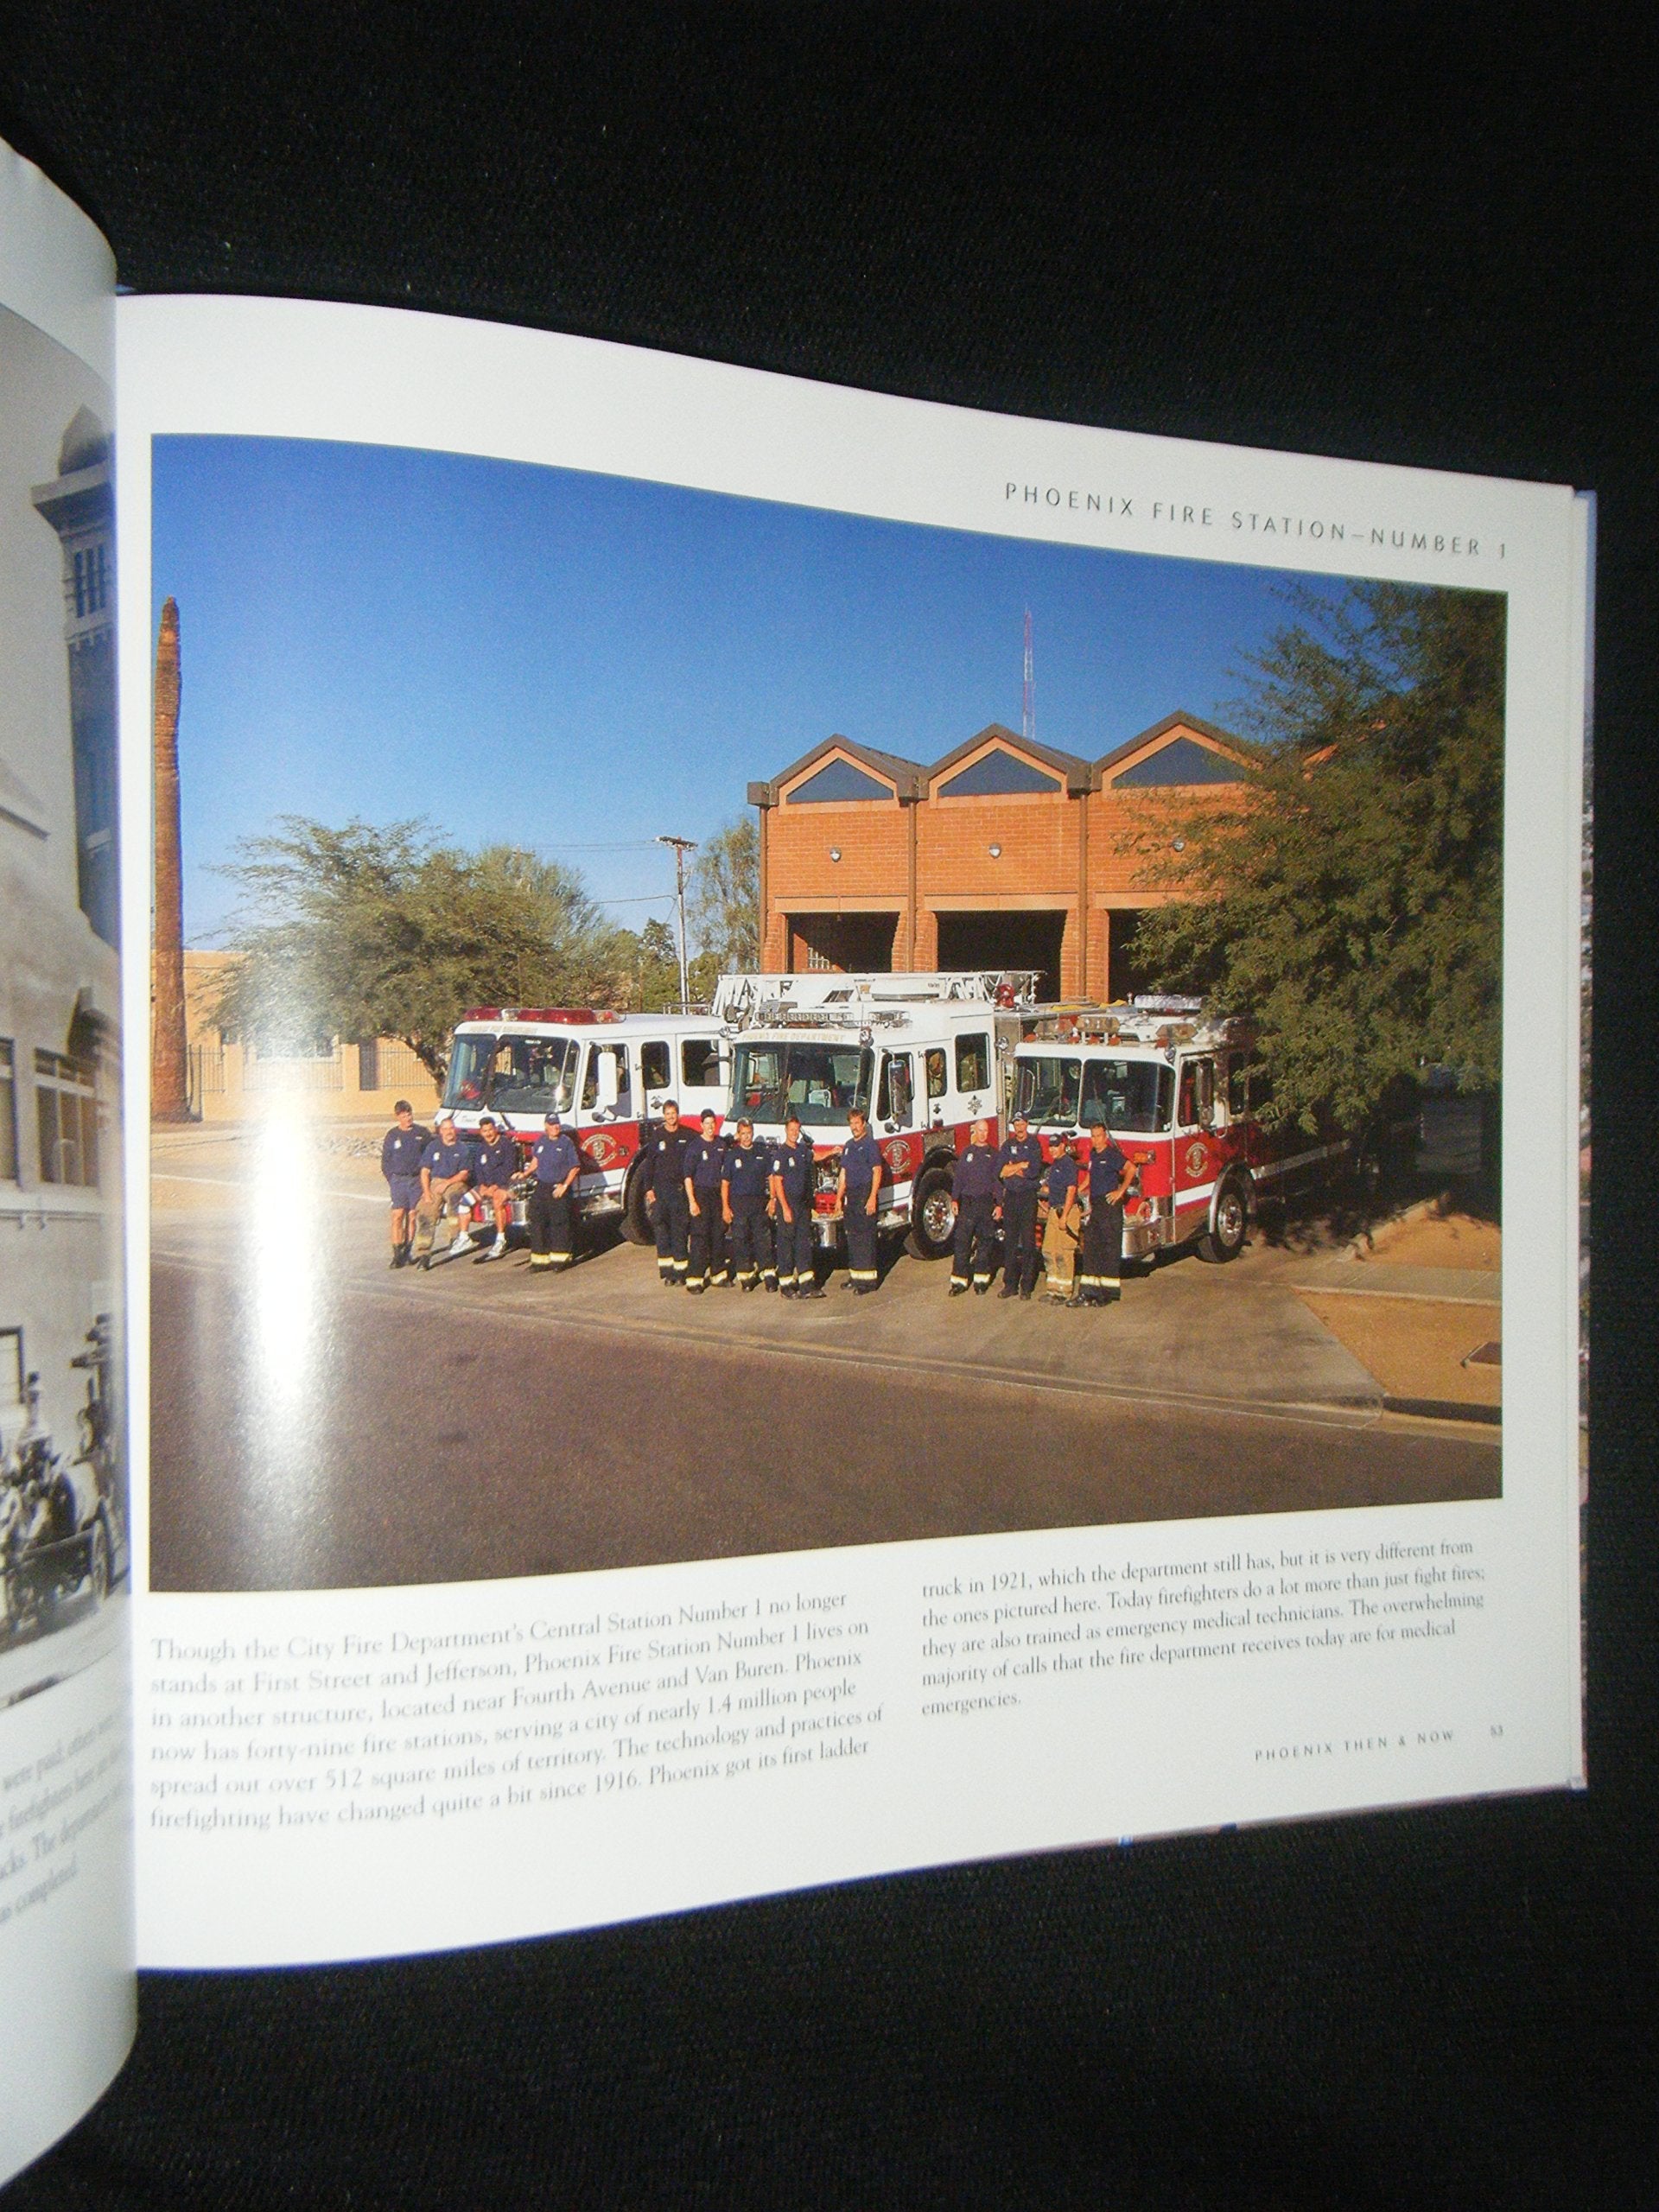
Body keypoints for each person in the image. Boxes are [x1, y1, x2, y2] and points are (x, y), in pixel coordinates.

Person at [1077, 1119, 1135, 1306]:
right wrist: (1079, 1190)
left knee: (1108, 1250)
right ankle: (1088, 1292)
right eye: (1093, 1136)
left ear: (1105, 1136)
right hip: (1096, 1206)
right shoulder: (1094, 1155)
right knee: (1091, 1248)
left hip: (1110, 1207)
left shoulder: (1112, 1154)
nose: (1095, 1140)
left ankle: (1107, 1295)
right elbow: (1090, 1177)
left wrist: (1120, 1191)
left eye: (1099, 1136)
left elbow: (1131, 1169)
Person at [769, 1111, 820, 1298]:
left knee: (803, 1246)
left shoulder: (802, 1151)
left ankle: (807, 1286)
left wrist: (832, 1153)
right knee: (786, 1246)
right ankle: (787, 1286)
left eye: (797, 1130)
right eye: (792, 1130)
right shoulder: (780, 1154)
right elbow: (777, 1182)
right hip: (788, 1206)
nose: (794, 1133)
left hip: (802, 1206)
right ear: (786, 1131)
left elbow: (814, 1157)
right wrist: (785, 1207)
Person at [641, 1098, 692, 1285]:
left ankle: (681, 1274)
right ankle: (667, 1274)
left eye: (674, 1113)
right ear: (664, 1116)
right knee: (662, 1234)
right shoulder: (657, 1136)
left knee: (679, 1233)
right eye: (668, 1114)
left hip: (678, 1193)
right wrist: (648, 1189)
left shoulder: (687, 1135)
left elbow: (704, 1140)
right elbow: (650, 1164)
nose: (671, 1117)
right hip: (660, 1192)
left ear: (678, 1114)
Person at [995, 1109, 1045, 1300]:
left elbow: (1032, 1171)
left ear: (1027, 1124)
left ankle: (1026, 1286)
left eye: (1022, 1124)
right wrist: (1019, 1166)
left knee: (1028, 1242)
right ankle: (1010, 1285)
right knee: (1010, 1243)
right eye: (1016, 1125)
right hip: (1011, 1198)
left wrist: (1012, 1168)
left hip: (1027, 1197)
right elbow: (1001, 1171)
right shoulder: (1007, 1145)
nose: (1019, 1128)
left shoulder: (1034, 1145)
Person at [721, 1117, 775, 1291]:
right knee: (741, 1241)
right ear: (738, 1135)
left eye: (749, 1133)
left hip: (759, 1203)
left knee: (763, 1241)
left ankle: (768, 1275)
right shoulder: (732, 1156)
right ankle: (746, 1278)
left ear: (753, 1133)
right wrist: (726, 1207)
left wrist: (773, 1199)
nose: (746, 1137)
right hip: (739, 1204)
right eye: (743, 1134)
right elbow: (725, 1184)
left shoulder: (762, 1153)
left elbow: (771, 1177)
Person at [949, 1119, 1001, 1296]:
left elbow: (997, 1182)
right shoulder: (967, 1153)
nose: (983, 1134)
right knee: (962, 1243)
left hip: (985, 1203)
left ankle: (981, 1281)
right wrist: (955, 1199)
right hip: (968, 1203)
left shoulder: (994, 1154)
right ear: (974, 1132)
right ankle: (959, 1282)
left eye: (986, 1131)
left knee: (985, 1243)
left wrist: (999, 1204)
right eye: (980, 1131)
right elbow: (959, 1179)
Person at [413, 1115, 474, 1262]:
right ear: (440, 1131)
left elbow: (464, 1174)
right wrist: (427, 1194)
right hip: (436, 1182)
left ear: (455, 1130)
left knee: (454, 1199)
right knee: (425, 1213)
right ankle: (423, 1253)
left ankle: (455, 1238)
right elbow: (425, 1171)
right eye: (445, 1129)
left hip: (455, 1182)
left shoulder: (462, 1148)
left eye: (451, 1128)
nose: (449, 1131)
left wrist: (446, 1184)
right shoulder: (433, 1147)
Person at [836, 1106, 883, 1294]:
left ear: (863, 1124)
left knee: (866, 1237)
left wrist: (872, 1198)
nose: (854, 1127)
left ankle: (868, 1282)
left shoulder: (870, 1145)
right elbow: (843, 1173)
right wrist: (839, 1198)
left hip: (865, 1193)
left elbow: (877, 1171)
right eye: (852, 1123)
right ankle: (855, 1277)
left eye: (857, 1123)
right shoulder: (848, 1146)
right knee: (853, 1235)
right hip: (852, 1195)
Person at [526, 1109, 581, 1271]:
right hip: (542, 1186)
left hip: (559, 1187)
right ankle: (539, 1261)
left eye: (557, 1124)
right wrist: (525, 1173)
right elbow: (536, 1161)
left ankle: (560, 1261)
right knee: (537, 1222)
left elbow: (575, 1167)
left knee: (559, 1224)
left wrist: (564, 1186)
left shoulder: (566, 1143)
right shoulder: (541, 1141)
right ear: (546, 1126)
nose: (555, 1127)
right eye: (551, 1124)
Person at [380, 1097, 430, 1268]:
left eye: (409, 1115)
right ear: (397, 1117)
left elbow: (429, 1156)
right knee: (397, 1216)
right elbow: (385, 1160)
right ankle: (397, 1254)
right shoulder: (392, 1135)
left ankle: (408, 1250)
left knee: (412, 1216)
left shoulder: (422, 1133)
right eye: (403, 1116)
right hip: (398, 1180)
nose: (407, 1119)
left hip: (415, 1180)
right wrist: (392, 1179)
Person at [684, 1109, 729, 1294]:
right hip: (701, 1195)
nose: (710, 1127)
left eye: (713, 1123)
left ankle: (718, 1275)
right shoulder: (695, 1147)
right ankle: (694, 1279)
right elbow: (687, 1177)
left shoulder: (721, 1145)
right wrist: (692, 1202)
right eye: (707, 1124)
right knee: (700, 1238)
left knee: (718, 1235)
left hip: (717, 1195)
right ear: (701, 1125)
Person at [467, 1114, 520, 1262]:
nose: (488, 1134)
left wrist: (495, 1186)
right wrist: (483, 1186)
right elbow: (478, 1169)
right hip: (487, 1186)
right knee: (464, 1201)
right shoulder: (481, 1149)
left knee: (498, 1200)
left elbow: (509, 1169)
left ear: (495, 1129)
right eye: (485, 1131)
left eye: (490, 1130)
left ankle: (500, 1239)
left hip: (506, 1186)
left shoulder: (506, 1145)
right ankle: (462, 1238)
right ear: (481, 1132)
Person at [1039, 1139, 1082, 1303]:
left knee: (1064, 1252)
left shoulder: (1068, 1164)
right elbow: (1055, 1188)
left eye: (1056, 1146)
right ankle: (1053, 1289)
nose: (1052, 1149)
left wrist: (1065, 1215)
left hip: (1066, 1211)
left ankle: (1064, 1292)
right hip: (1053, 1210)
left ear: (1063, 1146)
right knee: (1049, 1250)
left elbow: (1071, 1190)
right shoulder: (1055, 1165)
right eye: (1050, 1146)